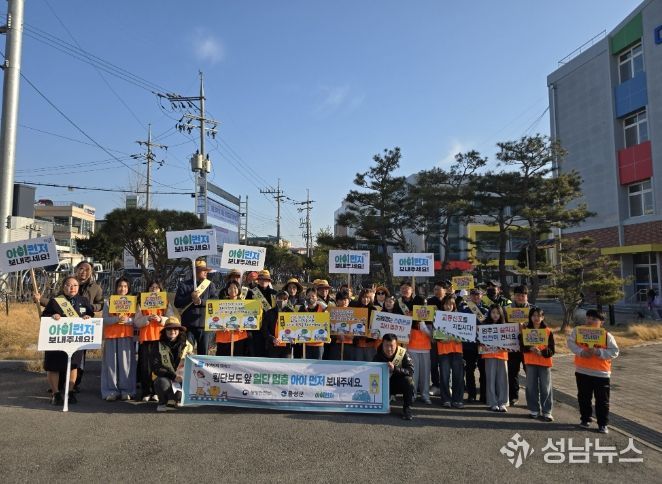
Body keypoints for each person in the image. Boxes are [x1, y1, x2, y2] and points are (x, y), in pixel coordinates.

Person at [34, 260, 104, 393]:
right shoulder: (60, 295)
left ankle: (72, 387)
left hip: (78, 333)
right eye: (81, 268)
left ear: (91, 272)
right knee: (57, 362)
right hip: (60, 335)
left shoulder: (94, 289)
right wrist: (41, 301)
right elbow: (51, 307)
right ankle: (57, 388)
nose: (83, 272)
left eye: (87, 270)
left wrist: (89, 311)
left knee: (75, 363)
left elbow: (98, 305)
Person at [41, 276, 94, 406]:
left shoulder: (83, 300)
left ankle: (70, 392)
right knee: (53, 366)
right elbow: (44, 316)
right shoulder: (55, 301)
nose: (72, 287)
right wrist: (52, 316)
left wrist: (87, 317)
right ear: (63, 287)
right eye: (69, 285)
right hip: (57, 340)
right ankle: (56, 394)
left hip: (74, 340)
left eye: (75, 285)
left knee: (73, 366)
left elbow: (91, 314)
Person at [567, 309, 619, 434]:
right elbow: (571, 343)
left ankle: (602, 424)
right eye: (588, 318)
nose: (590, 321)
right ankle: (585, 419)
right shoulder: (578, 331)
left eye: (594, 319)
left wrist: (598, 352)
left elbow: (614, 351)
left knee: (602, 401)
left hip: (601, 373)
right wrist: (581, 352)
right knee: (583, 398)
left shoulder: (606, 335)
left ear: (601, 322)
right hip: (582, 371)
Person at [134, 280, 173, 402]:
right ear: (148, 289)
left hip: (161, 338)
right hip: (146, 338)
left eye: (157, 287)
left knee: (159, 367)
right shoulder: (141, 302)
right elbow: (137, 321)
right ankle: (146, 392)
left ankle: (157, 392)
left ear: (160, 290)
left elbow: (171, 319)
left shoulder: (165, 302)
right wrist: (147, 318)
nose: (154, 289)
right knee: (146, 367)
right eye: (151, 287)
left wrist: (160, 318)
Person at [101, 277, 137, 401]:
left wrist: (128, 320)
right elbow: (104, 319)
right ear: (116, 288)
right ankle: (110, 391)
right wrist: (117, 319)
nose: (122, 289)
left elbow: (136, 320)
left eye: (125, 286)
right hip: (111, 336)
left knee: (126, 365)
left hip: (126, 336)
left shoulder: (132, 302)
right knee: (111, 365)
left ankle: (127, 391)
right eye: (120, 286)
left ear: (128, 288)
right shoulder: (109, 301)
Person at [174, 259, 218, 355]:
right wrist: (190, 297)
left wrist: (201, 302)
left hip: (204, 325)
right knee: (186, 352)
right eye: (203, 270)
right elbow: (177, 303)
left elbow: (215, 301)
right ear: (195, 271)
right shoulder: (184, 285)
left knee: (204, 354)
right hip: (188, 326)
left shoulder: (210, 285)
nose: (206, 272)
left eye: (206, 270)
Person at [151, 318, 194, 412]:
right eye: (169, 329)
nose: (172, 331)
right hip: (166, 377)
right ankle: (162, 402)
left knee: (180, 394)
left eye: (175, 329)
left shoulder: (187, 345)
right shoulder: (157, 345)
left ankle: (176, 399)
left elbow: (194, 365)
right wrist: (173, 376)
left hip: (182, 378)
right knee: (161, 382)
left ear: (179, 330)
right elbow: (156, 367)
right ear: (164, 331)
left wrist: (192, 358)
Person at [521, 307, 555, 421]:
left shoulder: (548, 331)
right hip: (530, 362)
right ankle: (534, 409)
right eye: (534, 315)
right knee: (531, 387)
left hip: (545, 363)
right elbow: (521, 346)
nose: (536, 318)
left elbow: (552, 350)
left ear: (543, 317)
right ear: (530, 317)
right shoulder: (525, 330)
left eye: (539, 315)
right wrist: (530, 348)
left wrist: (542, 352)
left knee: (546, 387)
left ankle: (547, 411)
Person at [374, 333, 415, 420]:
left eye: (391, 346)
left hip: (397, 383)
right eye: (386, 345)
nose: (389, 349)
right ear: (382, 344)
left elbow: (410, 371)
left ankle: (407, 409)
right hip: (383, 385)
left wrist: (395, 369)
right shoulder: (377, 355)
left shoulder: (403, 353)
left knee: (409, 381)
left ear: (396, 345)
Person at [505, 285, 533, 406]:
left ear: (527, 296)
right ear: (514, 296)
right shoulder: (507, 309)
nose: (520, 297)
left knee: (531, 373)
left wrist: (526, 327)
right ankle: (513, 396)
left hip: (529, 346)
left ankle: (532, 399)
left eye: (523, 295)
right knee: (512, 372)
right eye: (518, 295)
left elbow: (540, 327)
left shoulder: (533, 310)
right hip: (512, 345)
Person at [436, 295, 465, 408]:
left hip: (457, 350)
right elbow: (436, 335)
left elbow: (466, 333)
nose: (448, 306)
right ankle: (446, 399)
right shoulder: (438, 316)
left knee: (458, 376)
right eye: (446, 304)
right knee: (444, 376)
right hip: (443, 350)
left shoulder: (460, 317)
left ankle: (458, 399)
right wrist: (443, 339)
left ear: (454, 305)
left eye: (450, 304)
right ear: (443, 305)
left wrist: (460, 338)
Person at [460, 288, 487, 402]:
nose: (476, 297)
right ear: (469, 296)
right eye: (473, 295)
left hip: (482, 345)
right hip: (468, 345)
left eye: (478, 295)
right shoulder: (463, 310)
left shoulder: (486, 311)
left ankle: (484, 395)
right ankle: (471, 394)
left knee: (483, 370)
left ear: (481, 296)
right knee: (469, 371)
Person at [480, 304, 509, 412]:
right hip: (489, 355)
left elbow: (511, 341)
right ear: (489, 314)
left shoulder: (505, 326)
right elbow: (479, 342)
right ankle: (492, 402)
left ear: (501, 314)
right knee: (490, 379)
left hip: (502, 355)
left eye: (497, 313)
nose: (495, 315)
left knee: (502, 379)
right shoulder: (484, 325)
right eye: (493, 312)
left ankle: (503, 402)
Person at [427, 280, 450, 397]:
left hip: (448, 338)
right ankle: (435, 385)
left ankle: (447, 386)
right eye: (434, 289)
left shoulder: (450, 301)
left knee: (446, 363)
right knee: (434, 362)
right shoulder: (430, 301)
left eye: (438, 289)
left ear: (445, 290)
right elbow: (427, 320)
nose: (436, 291)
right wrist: (431, 334)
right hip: (434, 337)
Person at [215, 281, 249, 356]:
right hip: (223, 336)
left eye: (235, 288)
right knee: (223, 360)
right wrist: (220, 326)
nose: (232, 290)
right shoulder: (220, 304)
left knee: (238, 359)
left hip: (239, 337)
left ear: (239, 289)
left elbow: (248, 320)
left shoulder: (245, 304)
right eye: (230, 288)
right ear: (227, 290)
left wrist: (242, 327)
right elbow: (214, 319)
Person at [294, 287, 325, 360]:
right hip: (306, 343)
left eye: (313, 296)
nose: (310, 298)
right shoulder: (302, 309)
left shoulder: (322, 309)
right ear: (305, 297)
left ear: (317, 297)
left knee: (317, 364)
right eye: (308, 296)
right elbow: (297, 324)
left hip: (318, 343)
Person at [349, 289, 380, 361]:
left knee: (369, 363)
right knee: (357, 363)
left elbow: (376, 327)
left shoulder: (373, 309)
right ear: (360, 298)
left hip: (369, 343)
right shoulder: (355, 308)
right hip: (357, 343)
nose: (365, 299)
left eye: (368, 297)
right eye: (363, 297)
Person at [263, 290, 295, 358]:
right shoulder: (269, 313)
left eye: (284, 299)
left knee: (286, 364)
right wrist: (272, 339)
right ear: (276, 299)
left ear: (287, 300)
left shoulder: (291, 313)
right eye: (280, 298)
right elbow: (264, 329)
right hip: (273, 346)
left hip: (287, 347)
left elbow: (295, 328)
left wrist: (294, 338)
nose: (282, 301)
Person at [408, 317, 432, 405]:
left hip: (425, 348)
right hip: (412, 347)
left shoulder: (429, 317)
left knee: (425, 374)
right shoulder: (410, 315)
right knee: (413, 373)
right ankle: (412, 395)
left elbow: (432, 335)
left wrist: (423, 325)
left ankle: (425, 395)